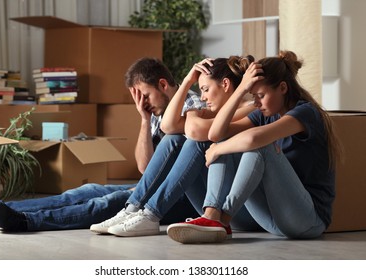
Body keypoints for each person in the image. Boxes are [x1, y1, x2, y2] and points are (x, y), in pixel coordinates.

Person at [0, 57, 204, 231]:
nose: (143, 103)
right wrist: (144, 120)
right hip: (152, 187)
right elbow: (145, 168)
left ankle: (26, 221)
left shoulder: (192, 105)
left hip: (180, 199)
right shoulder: (157, 112)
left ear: (163, 84)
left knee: (107, 201)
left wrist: (145, 187)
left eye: (145, 95)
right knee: (87, 190)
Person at [166, 50, 342, 244]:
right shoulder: (264, 113)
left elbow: (253, 139)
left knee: (259, 146)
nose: (256, 103)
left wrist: (217, 149)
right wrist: (241, 88)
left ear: (282, 88)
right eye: (253, 96)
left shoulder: (305, 112)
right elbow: (215, 133)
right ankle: (212, 215)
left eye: (260, 95)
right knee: (225, 140)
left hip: (308, 220)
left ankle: (223, 219)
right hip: (273, 220)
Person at [90, 55, 258, 237]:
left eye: (205, 89)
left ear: (225, 85)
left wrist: (194, 111)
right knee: (174, 139)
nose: (202, 97)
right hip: (213, 205)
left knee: (196, 142)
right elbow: (168, 127)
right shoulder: (212, 111)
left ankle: (151, 214)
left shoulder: (252, 108)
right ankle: (134, 209)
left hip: (240, 211)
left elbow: (195, 131)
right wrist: (187, 81)